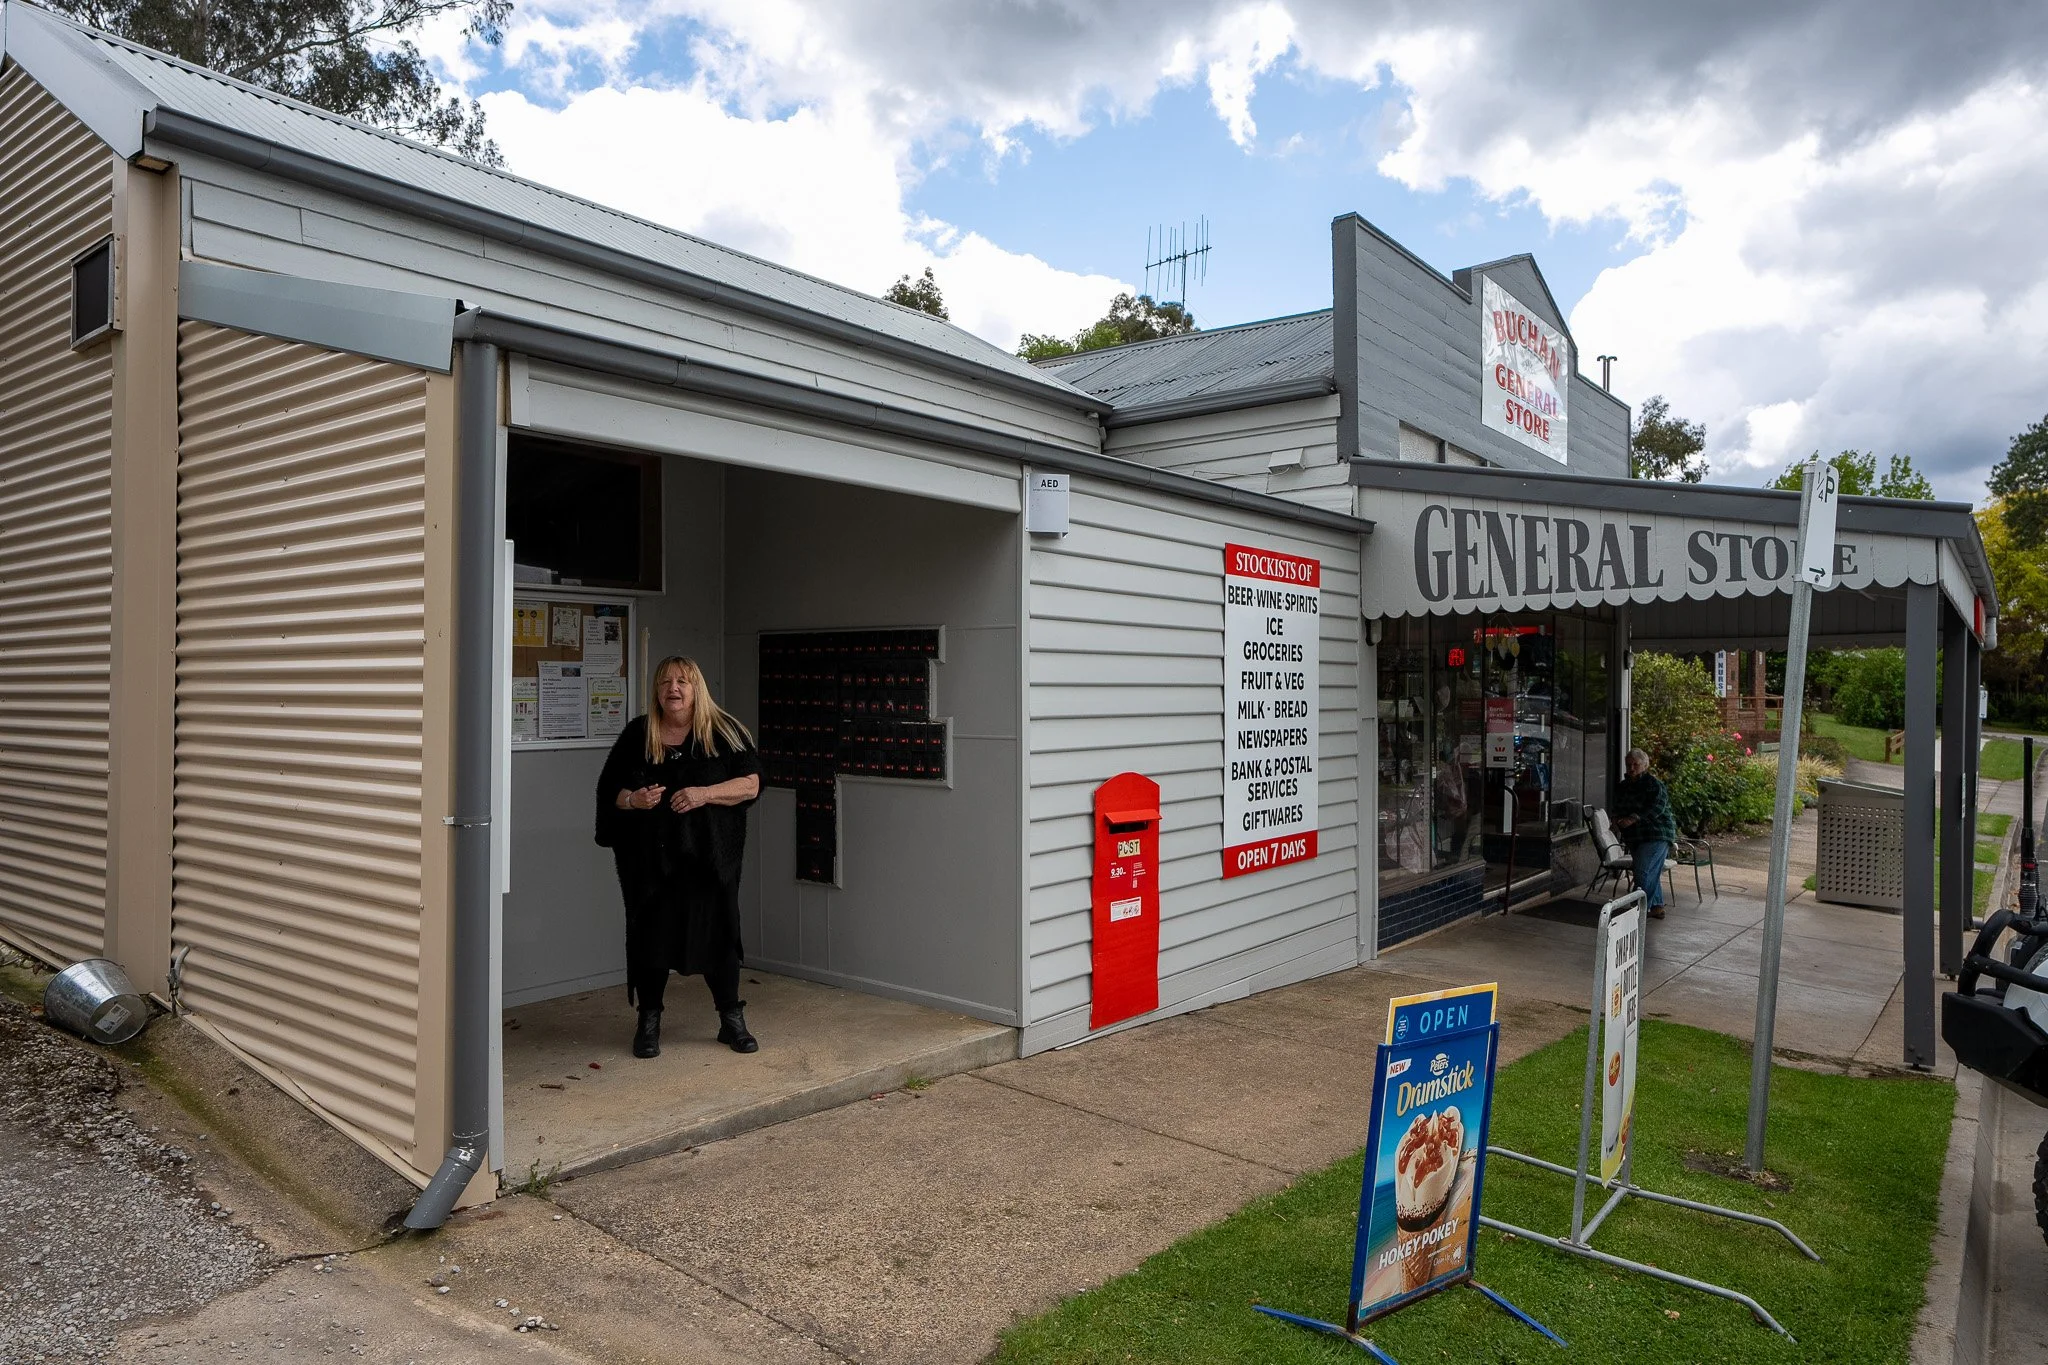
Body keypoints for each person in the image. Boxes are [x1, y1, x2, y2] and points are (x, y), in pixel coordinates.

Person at [595, 656, 763, 1059]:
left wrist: (703, 794)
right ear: (656, 690)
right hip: (653, 865)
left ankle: (731, 1019)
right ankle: (649, 1022)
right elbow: (609, 790)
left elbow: (752, 784)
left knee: (720, 938)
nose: (674, 688)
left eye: (683, 681)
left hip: (711, 862)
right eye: (666, 681)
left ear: (696, 688)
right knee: (652, 940)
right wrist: (633, 800)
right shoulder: (639, 734)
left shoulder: (725, 732)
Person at [1613, 747, 1677, 919]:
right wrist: (1616, 819)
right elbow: (1617, 807)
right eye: (1629, 765)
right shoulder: (1623, 786)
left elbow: (1656, 808)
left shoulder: (1654, 784)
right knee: (1648, 870)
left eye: (1636, 764)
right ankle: (1656, 906)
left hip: (1656, 834)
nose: (1631, 768)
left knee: (1644, 872)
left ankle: (1638, 909)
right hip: (1635, 837)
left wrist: (1633, 818)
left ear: (1644, 765)